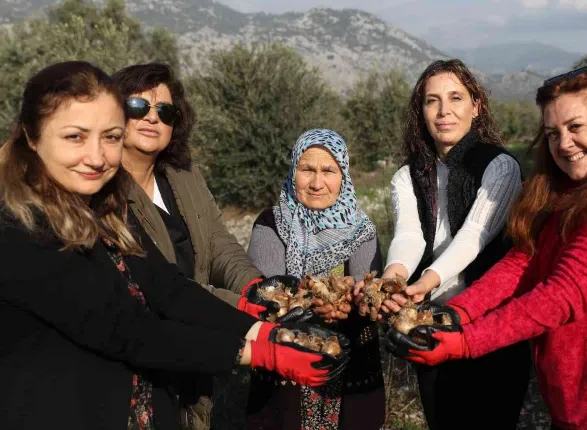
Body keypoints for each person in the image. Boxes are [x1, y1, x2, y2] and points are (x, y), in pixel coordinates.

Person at [0, 61, 342, 430]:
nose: (96, 156)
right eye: (75, 137)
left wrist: (263, 329)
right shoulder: (17, 226)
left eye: (110, 137)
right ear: (32, 137)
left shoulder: (102, 208)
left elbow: (167, 287)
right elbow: (128, 330)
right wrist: (261, 353)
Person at [389, 64, 587, 429]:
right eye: (552, 133)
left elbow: (563, 294)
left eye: (575, 127)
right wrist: (455, 314)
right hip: (579, 408)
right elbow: (523, 262)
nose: (563, 143)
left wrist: (465, 342)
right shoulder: (567, 191)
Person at [361, 59, 531, 430]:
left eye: (456, 98)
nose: (444, 111)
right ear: (420, 111)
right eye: (432, 100)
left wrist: (425, 281)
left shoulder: (499, 166)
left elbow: (475, 236)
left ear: (476, 105)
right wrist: (394, 278)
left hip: (491, 321)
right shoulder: (407, 175)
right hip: (432, 320)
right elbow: (409, 236)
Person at [112, 62, 267, 429]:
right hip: (145, 355)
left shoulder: (183, 175)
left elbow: (217, 240)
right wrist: (245, 312)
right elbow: (162, 288)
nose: (152, 118)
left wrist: (256, 288)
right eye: (138, 107)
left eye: (164, 111)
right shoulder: (106, 191)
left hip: (199, 341)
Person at [245, 129, 385, 430]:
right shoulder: (271, 223)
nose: (317, 182)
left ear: (343, 175)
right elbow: (270, 292)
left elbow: (366, 286)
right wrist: (314, 301)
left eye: (328, 171)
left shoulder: (361, 230)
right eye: (307, 169)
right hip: (287, 359)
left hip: (349, 361)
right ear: (294, 170)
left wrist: (351, 303)